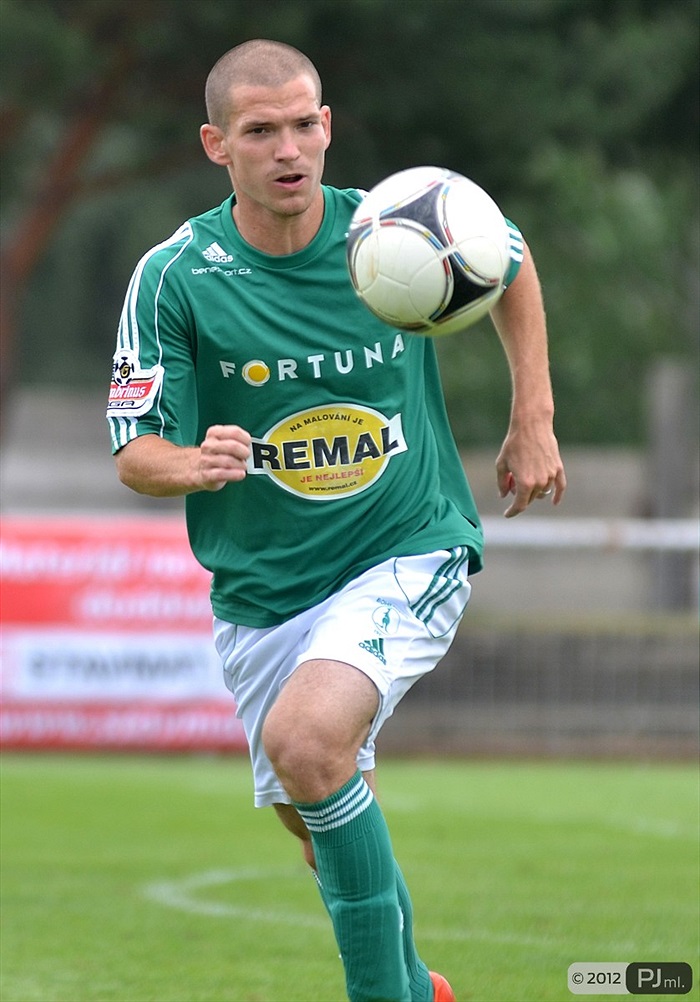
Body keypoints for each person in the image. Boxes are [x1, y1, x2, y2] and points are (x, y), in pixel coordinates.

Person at [107, 38, 566, 1002]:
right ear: (214, 146)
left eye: (305, 123)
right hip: (265, 593)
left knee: (309, 745)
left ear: (329, 126)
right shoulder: (176, 276)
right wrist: (189, 463)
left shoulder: (398, 226)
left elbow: (509, 261)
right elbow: (135, 452)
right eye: (260, 130)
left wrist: (533, 416)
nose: (290, 148)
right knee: (315, 806)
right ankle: (416, 984)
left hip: (408, 544)